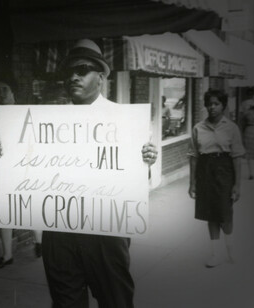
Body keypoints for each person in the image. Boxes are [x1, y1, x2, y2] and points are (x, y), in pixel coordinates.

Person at [38, 39, 157, 308]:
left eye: (82, 70)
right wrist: (5, 153)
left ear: (101, 78)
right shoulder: (46, 122)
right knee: (66, 302)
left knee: (115, 300)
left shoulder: (124, 119)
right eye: (69, 72)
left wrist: (145, 163)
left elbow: (137, 181)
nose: (73, 77)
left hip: (105, 230)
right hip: (60, 229)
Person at [0, 73, 43, 270]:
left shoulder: (24, 111)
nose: (1, 93)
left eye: (5, 89)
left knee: (29, 203)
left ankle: (39, 242)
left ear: (12, 91)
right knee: (4, 208)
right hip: (3, 165)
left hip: (24, 164)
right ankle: (7, 255)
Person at [188, 89, 245, 268]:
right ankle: (215, 253)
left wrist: (237, 184)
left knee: (225, 213)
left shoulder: (231, 127)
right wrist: (192, 182)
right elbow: (193, 156)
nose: (212, 107)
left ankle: (230, 250)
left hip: (225, 171)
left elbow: (237, 157)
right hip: (205, 171)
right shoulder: (198, 128)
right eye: (209, 104)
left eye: (216, 104)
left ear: (223, 105)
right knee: (210, 214)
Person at [241, 97, 254, 179]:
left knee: (249, 154)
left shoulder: (247, 113)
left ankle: (251, 173)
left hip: (249, 131)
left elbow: (242, 123)